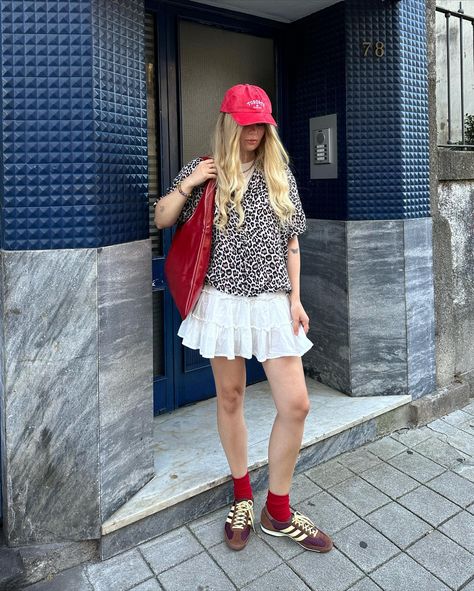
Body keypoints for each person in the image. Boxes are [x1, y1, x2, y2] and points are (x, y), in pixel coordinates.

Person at [154, 84, 333, 553]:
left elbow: (291, 241)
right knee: (230, 396)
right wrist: (187, 184)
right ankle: (242, 496)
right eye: (245, 121)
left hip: (273, 302)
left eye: (260, 123)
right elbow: (162, 218)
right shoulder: (206, 170)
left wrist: (296, 298)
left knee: (296, 404)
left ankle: (278, 509)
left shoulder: (280, 173)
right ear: (228, 120)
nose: (253, 131)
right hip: (223, 302)